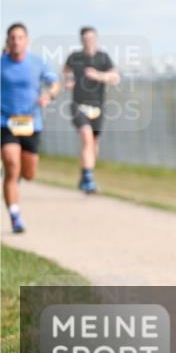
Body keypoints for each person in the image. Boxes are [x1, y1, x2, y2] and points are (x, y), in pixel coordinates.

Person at [1, 23, 60, 233]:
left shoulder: (37, 63)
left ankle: (15, 177)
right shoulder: (1, 63)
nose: (16, 41)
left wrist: (49, 95)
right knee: (10, 161)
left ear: (26, 41)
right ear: (7, 41)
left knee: (28, 173)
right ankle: (15, 215)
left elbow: (54, 83)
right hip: (6, 122)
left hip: (31, 124)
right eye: (12, 38)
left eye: (20, 37)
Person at [63, 26, 119, 194]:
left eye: (91, 38)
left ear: (96, 39)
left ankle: (85, 175)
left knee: (93, 144)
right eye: (86, 39)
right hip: (78, 105)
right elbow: (65, 71)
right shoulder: (75, 57)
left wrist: (98, 76)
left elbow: (115, 77)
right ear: (81, 40)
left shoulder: (103, 58)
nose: (89, 41)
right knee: (86, 138)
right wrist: (68, 80)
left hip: (97, 106)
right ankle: (88, 180)